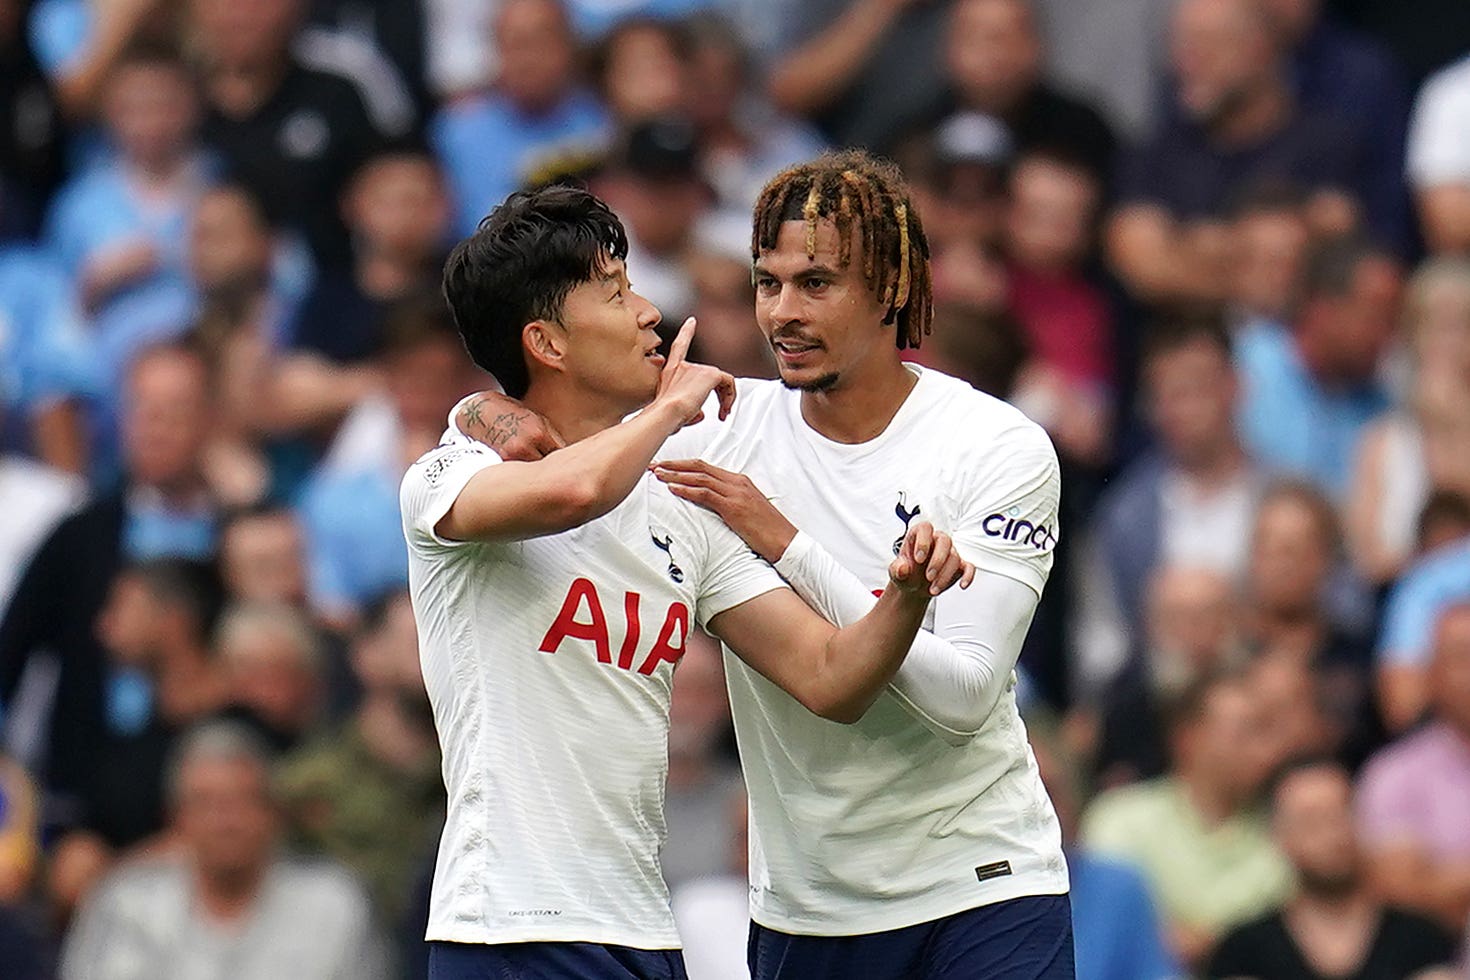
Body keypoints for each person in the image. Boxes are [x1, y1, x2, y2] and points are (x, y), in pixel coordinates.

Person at [463, 150, 1073, 977]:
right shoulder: (716, 427)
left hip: (981, 884)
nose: (782, 311)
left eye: (815, 284)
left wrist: (785, 540)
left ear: (893, 287)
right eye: (767, 282)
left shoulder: (997, 447)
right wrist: (484, 409)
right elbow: (557, 402)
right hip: (806, 905)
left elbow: (964, 697)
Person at [59, 721, 388, 980]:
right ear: (177, 818)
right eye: (206, 803)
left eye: (242, 801)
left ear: (273, 813)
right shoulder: (125, 905)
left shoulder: (335, 907)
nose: (225, 822)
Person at [1081, 670, 1291, 970]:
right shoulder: (1120, 817)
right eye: (1245, 732)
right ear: (1187, 738)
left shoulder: (1283, 833)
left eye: (1265, 733)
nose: (1266, 751)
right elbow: (1106, 925)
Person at [1207, 757, 1459, 980]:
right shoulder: (1244, 952)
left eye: (1341, 813)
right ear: (1278, 836)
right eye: (1312, 821)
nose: (1331, 834)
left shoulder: (1421, 940)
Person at [1357, 603, 1470, 933]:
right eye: (1463, 656)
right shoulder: (1394, 775)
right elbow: (1403, 896)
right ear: (1432, 676)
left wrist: (1448, 877)